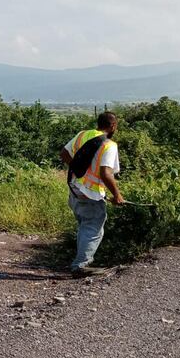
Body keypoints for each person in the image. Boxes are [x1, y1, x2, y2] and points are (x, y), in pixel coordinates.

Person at [59, 111, 125, 277]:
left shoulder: (82, 135)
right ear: (113, 126)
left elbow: (64, 153)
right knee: (93, 228)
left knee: (85, 226)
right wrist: (117, 195)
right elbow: (106, 173)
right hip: (91, 194)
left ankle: (80, 260)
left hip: (74, 188)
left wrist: (77, 168)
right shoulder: (109, 145)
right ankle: (80, 266)